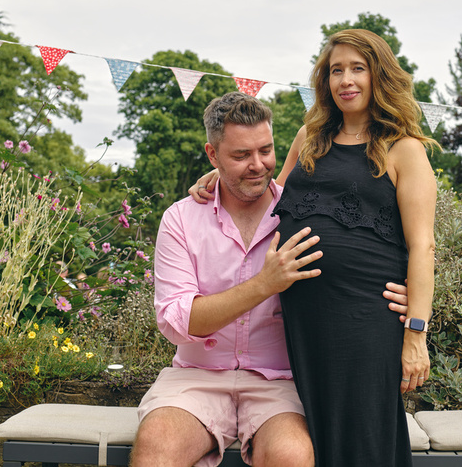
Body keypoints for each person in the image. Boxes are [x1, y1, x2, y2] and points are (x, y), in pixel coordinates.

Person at [192, 29, 438, 467]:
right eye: (335, 70)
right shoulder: (310, 137)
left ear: (378, 75)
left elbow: (423, 246)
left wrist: (415, 333)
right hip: (304, 323)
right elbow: (272, 193)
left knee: (361, 436)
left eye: (357, 68)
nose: (346, 79)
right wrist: (219, 179)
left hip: (365, 319)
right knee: (315, 437)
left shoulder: (404, 150)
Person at [133, 91, 411, 467]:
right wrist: (264, 284)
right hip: (196, 377)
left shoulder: (298, 213)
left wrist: (402, 302)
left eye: (265, 150)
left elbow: (362, 254)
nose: (258, 165)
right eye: (240, 155)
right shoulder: (181, 219)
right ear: (212, 155)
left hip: (278, 383)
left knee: (293, 456)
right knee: (155, 449)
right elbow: (176, 322)